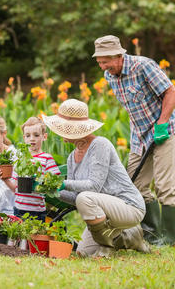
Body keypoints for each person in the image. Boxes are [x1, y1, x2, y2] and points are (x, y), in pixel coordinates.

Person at [93, 35, 175, 246]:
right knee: (135, 187)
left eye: (106, 61)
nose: (103, 66)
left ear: (118, 55)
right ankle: (153, 234)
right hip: (139, 138)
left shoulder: (143, 66)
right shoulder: (110, 76)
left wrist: (161, 123)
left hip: (164, 131)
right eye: (99, 62)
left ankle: (169, 240)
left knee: (165, 187)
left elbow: (171, 92)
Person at [42, 99, 149, 257]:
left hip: (129, 206)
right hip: (105, 211)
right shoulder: (72, 157)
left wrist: (62, 183)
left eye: (62, 128)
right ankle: (131, 238)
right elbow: (75, 198)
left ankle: (107, 248)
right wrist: (49, 191)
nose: (58, 132)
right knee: (82, 253)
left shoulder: (100, 145)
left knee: (86, 198)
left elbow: (94, 186)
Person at [1, 117, 61, 222]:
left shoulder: (47, 158)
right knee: (19, 237)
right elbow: (15, 188)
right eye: (28, 136)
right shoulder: (21, 159)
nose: (32, 139)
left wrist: (40, 183)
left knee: (35, 237)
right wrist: (5, 179)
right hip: (19, 209)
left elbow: (55, 183)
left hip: (37, 211)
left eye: (36, 135)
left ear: (44, 137)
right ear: (24, 138)